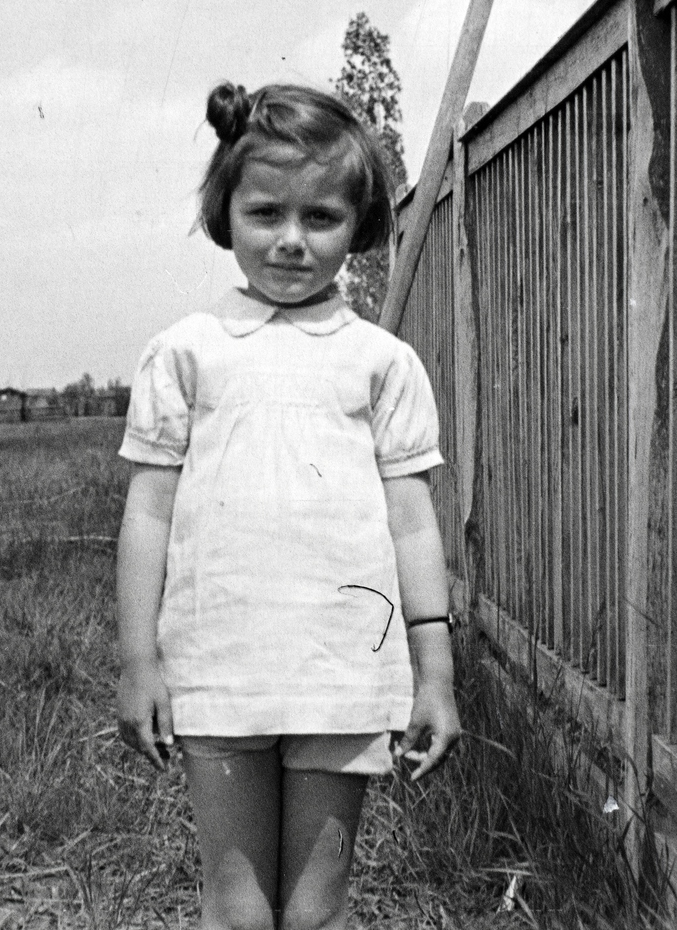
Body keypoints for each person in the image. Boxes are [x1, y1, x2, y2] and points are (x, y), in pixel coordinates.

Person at [114, 82, 462, 930]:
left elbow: (412, 521)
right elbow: (148, 514)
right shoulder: (186, 354)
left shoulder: (381, 363)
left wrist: (435, 673)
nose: (293, 242)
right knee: (238, 911)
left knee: (315, 914)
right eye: (267, 212)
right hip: (220, 666)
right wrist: (138, 662)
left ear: (360, 223)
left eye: (322, 218)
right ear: (224, 211)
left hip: (341, 672)